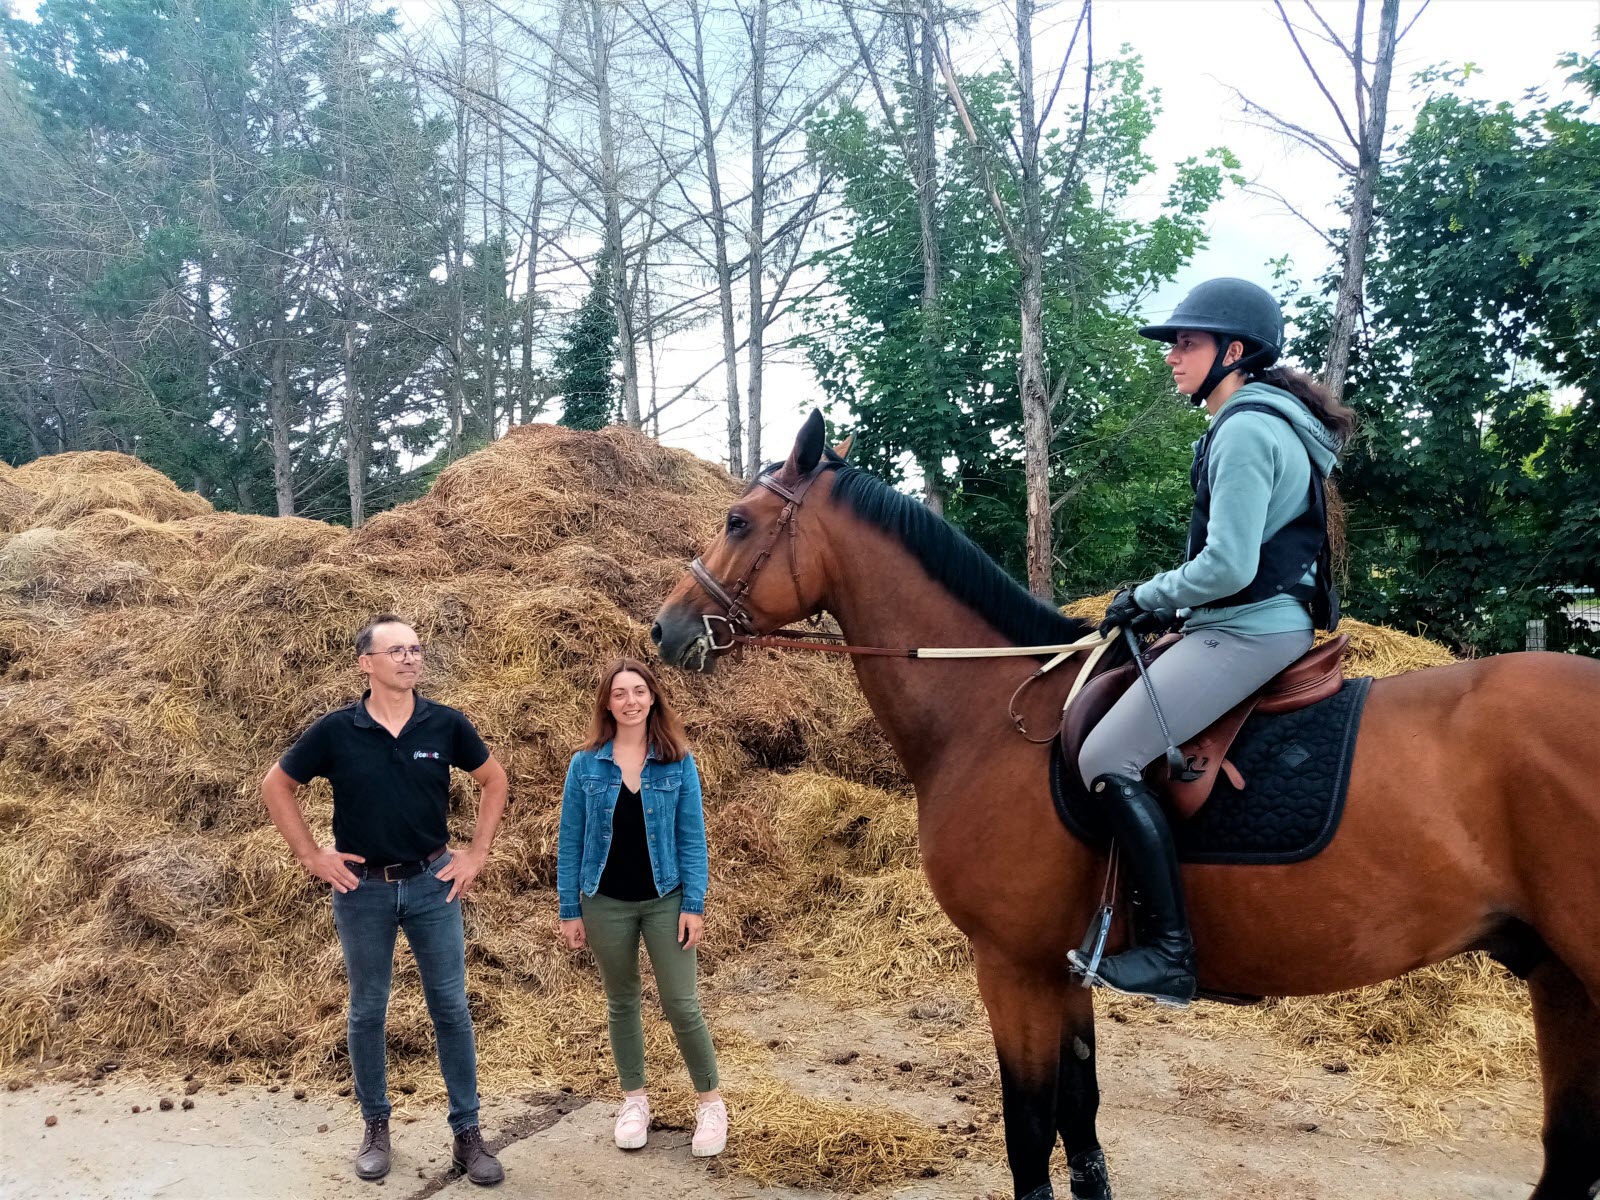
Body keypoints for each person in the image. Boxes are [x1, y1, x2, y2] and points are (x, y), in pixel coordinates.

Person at [1069, 278, 1357, 1007]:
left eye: (1186, 343)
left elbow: (1228, 564)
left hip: (1249, 630)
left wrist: (1145, 595)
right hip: (1250, 621)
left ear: (1234, 351)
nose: (1172, 356)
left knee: (1106, 754)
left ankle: (1170, 952)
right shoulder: (1268, 422)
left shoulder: (1246, 428)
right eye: (1172, 344)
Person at [261, 614, 509, 1185]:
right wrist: (311, 856)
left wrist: (475, 854)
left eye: (416, 649)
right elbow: (277, 786)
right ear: (365, 663)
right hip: (362, 891)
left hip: (432, 885)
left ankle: (468, 1134)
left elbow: (494, 780)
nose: (410, 658)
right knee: (368, 1010)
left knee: (450, 1007)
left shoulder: (444, 724)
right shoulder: (335, 730)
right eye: (396, 650)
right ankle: (376, 1126)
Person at [557, 658, 727, 1158]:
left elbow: (692, 838)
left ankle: (710, 1103)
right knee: (622, 1001)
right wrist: (570, 909)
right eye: (619, 693)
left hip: (665, 901)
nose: (630, 701)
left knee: (681, 1003)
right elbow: (570, 842)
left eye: (638, 691)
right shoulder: (585, 763)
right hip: (603, 902)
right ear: (606, 704)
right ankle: (635, 1100)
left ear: (653, 697)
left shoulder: (677, 761)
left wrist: (693, 903)